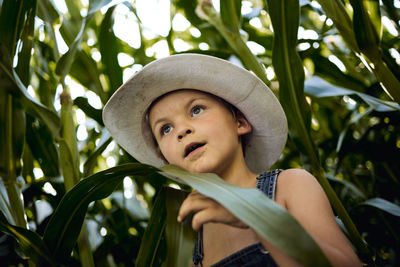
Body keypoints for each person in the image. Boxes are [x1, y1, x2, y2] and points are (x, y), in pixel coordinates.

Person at [103, 54, 361, 266]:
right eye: (166, 129)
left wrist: (259, 219)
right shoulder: (192, 243)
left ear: (240, 122)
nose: (181, 130)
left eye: (196, 110)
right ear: (164, 157)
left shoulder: (290, 186)